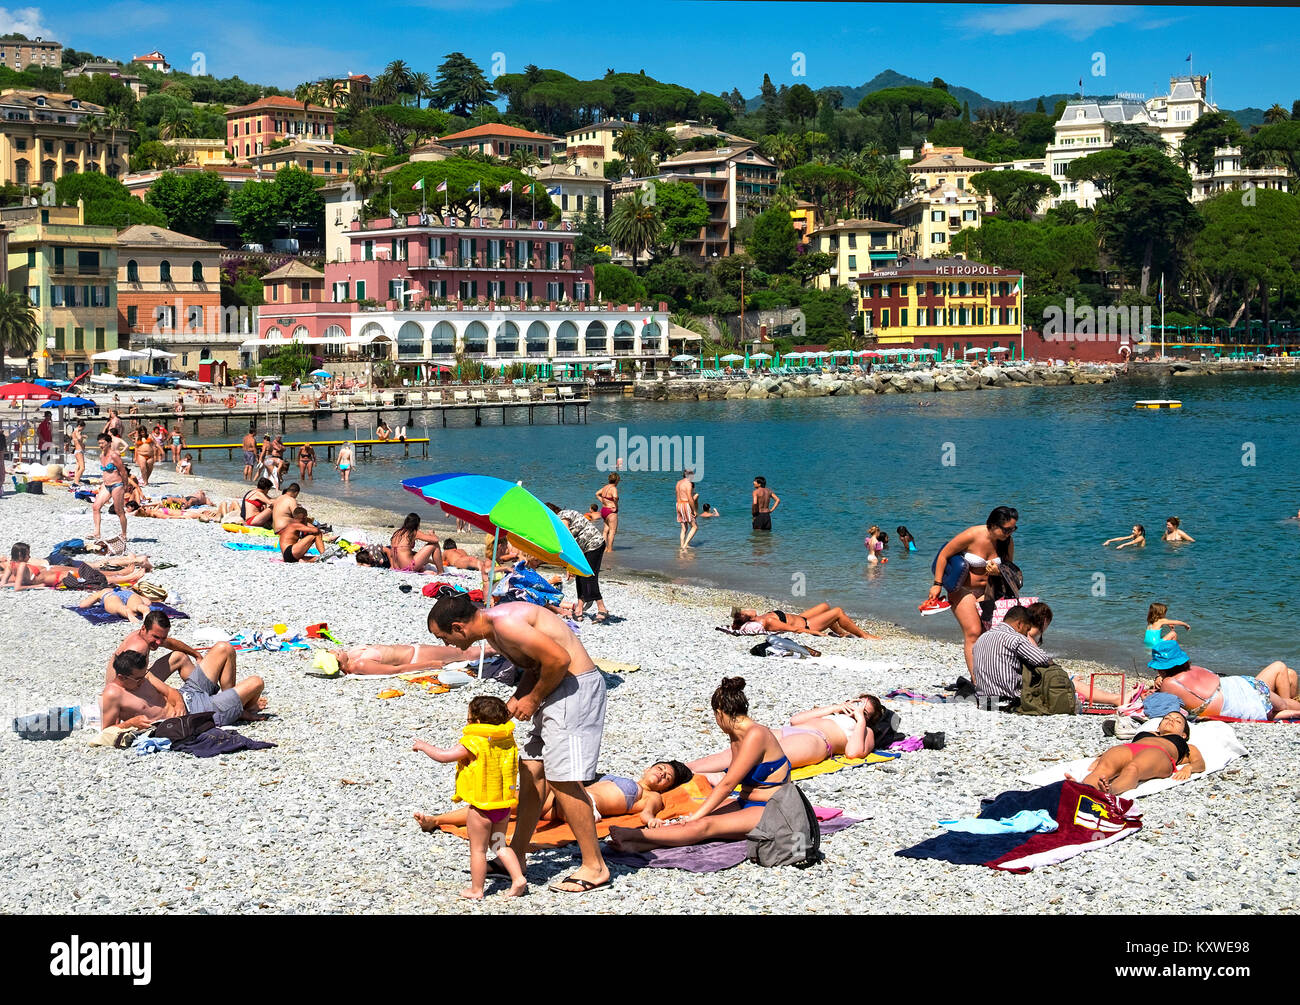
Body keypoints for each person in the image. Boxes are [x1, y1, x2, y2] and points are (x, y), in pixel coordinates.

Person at [428, 593, 609, 894]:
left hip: (575, 689)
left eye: (444, 637)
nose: (448, 645)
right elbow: (537, 666)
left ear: (458, 627)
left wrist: (534, 698)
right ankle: (518, 855)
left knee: (563, 779)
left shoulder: (506, 624)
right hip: (556, 688)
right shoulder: (493, 629)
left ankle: (595, 866)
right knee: (532, 769)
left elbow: (559, 660)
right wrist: (518, 698)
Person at [608, 677, 790, 853]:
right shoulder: (736, 736)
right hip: (745, 802)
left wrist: (697, 816)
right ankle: (637, 846)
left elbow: (727, 785)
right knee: (693, 819)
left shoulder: (756, 735)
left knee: (703, 824)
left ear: (719, 713)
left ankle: (639, 836)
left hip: (771, 808)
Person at [411, 695, 527, 900]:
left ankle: (477, 890)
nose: (468, 723)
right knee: (499, 844)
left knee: (478, 850)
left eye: (469, 719)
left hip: (481, 808)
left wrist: (423, 746)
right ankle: (518, 878)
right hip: (503, 805)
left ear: (478, 722)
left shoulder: (474, 742)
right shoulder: (506, 737)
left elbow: (444, 756)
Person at [415, 760, 693, 830]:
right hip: (569, 800)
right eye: (660, 768)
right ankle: (437, 820)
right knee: (508, 806)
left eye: (667, 777)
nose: (661, 774)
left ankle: (438, 819)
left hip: (584, 806)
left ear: (666, 787)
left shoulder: (650, 796)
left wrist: (652, 821)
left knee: (513, 803)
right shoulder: (626, 778)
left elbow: (646, 814)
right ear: (648, 767)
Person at [107, 611, 266, 723]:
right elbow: (138, 687)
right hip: (139, 687)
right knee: (256, 682)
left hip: (187, 694)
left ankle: (233, 701)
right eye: (155, 638)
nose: (158, 643)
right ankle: (237, 706)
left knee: (224, 647)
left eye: (161, 638)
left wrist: (196, 655)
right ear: (144, 629)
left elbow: (170, 643)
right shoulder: (136, 652)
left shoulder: (145, 634)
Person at [688, 693, 884, 779]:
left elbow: (853, 752)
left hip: (815, 740)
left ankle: (705, 777)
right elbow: (796, 720)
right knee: (736, 750)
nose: (856, 709)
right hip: (789, 731)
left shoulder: (865, 730)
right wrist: (835, 707)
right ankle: (685, 769)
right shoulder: (833, 712)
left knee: (758, 759)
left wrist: (861, 720)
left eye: (864, 710)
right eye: (857, 702)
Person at [923, 505, 1019, 674]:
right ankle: (978, 684)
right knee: (974, 632)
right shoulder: (972, 535)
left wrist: (999, 570)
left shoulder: (1007, 542)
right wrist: (937, 584)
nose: (1010, 533)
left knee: (990, 636)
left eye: (1013, 529)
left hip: (989, 591)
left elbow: (1009, 567)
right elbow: (944, 555)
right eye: (1006, 529)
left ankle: (991, 677)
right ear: (994, 525)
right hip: (963, 589)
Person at [1075, 712, 1205, 795]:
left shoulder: (1186, 746)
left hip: (1158, 754)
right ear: (1158, 727)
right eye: (1167, 718)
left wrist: (1189, 768)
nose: (1171, 720)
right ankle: (1081, 790)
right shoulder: (1147, 733)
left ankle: (1109, 791)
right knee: (1101, 770)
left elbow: (1199, 763)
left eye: (1178, 721)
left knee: (1133, 768)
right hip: (1130, 748)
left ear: (1183, 734)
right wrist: (1101, 757)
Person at [548, 502, 610, 622]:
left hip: (595, 545)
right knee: (580, 577)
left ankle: (602, 609)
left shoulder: (562, 517)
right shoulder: (565, 514)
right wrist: (572, 565)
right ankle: (579, 609)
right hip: (584, 548)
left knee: (589, 577)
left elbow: (567, 537)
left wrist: (570, 563)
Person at [333, 642, 495, 676]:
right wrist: (430, 664)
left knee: (460, 650)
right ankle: (499, 650)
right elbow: (397, 670)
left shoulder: (351, 656)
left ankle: (496, 648)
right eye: (335, 654)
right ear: (339, 663)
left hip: (415, 650)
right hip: (417, 656)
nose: (336, 650)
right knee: (463, 653)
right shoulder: (360, 664)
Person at [730, 603, 878, 639]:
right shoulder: (768, 621)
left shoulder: (761, 617)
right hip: (807, 624)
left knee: (825, 606)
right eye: (745, 611)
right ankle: (864, 635)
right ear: (749, 617)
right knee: (837, 611)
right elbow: (794, 629)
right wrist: (815, 633)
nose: (747, 608)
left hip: (801, 618)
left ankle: (841, 633)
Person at [92, 432, 128, 544]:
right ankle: (97, 533)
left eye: (102, 443)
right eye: (99, 443)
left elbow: (123, 471)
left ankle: (124, 534)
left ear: (109, 443)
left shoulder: (114, 455)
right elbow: (105, 472)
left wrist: (125, 486)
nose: (101, 445)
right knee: (96, 507)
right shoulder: (101, 456)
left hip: (117, 485)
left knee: (119, 510)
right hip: (106, 485)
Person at [79, 585, 154, 623]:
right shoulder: (124, 588)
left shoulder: (101, 592)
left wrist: (93, 597)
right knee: (137, 606)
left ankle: (127, 612)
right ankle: (144, 609)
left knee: (119, 607)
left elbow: (83, 605)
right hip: (128, 594)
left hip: (110, 596)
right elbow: (147, 602)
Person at [595, 473, 620, 552]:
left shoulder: (605, 487)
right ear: (616, 480)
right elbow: (615, 497)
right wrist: (615, 506)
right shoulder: (613, 488)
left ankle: (604, 548)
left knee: (605, 530)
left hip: (604, 510)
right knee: (612, 531)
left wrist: (603, 501)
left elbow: (597, 494)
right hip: (611, 511)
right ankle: (609, 549)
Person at [675, 469, 698, 549]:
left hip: (678, 504)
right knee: (694, 527)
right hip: (685, 504)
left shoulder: (678, 483)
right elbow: (690, 498)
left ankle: (682, 545)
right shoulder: (688, 484)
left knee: (684, 527)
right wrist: (694, 510)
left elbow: (677, 494)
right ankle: (685, 546)